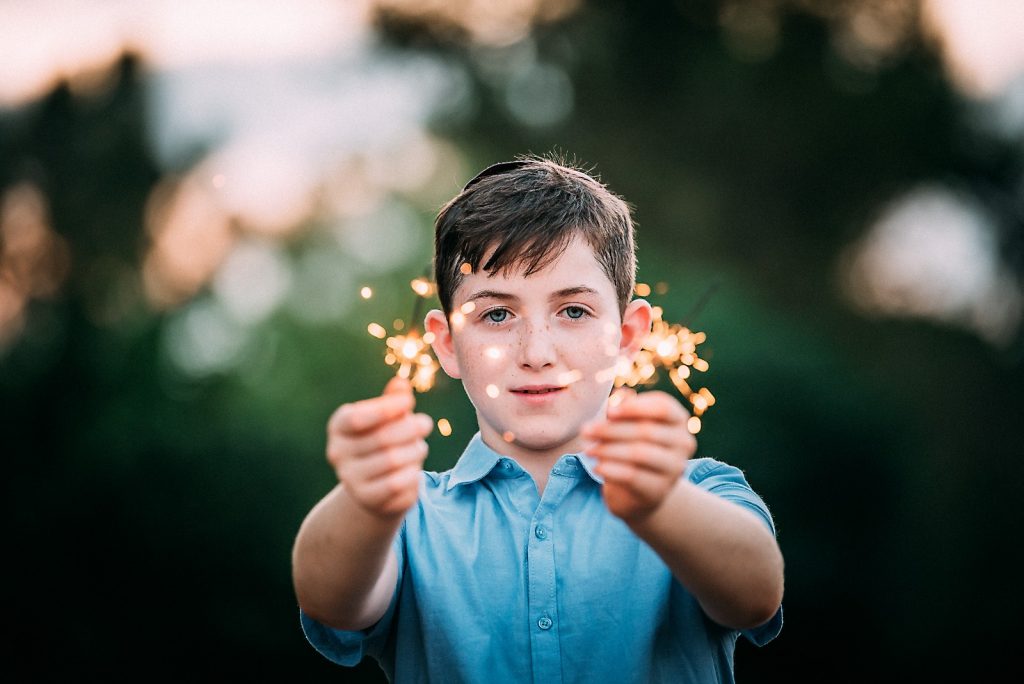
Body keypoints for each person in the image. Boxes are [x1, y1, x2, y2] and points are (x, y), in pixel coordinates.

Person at [291, 155, 785, 683]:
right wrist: (364, 501)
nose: (537, 352)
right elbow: (330, 598)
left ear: (627, 338)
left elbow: (754, 594)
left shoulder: (702, 492)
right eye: (496, 314)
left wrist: (662, 506)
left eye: (573, 311)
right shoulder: (405, 519)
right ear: (446, 344)